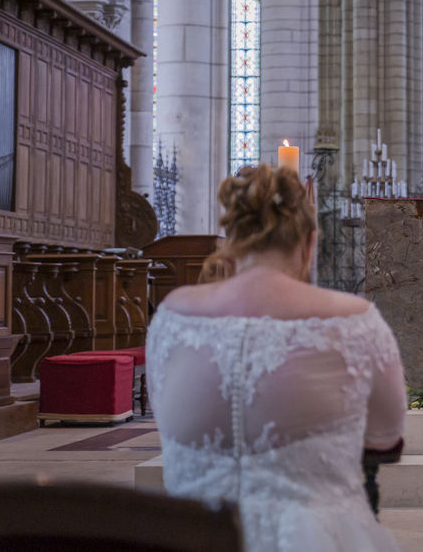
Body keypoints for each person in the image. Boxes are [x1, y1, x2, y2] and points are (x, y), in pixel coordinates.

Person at [145, 163, 407, 552]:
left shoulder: (173, 315)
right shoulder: (355, 321)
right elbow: (386, 438)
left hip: (189, 535)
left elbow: (166, 415)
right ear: (309, 242)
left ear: (232, 239)